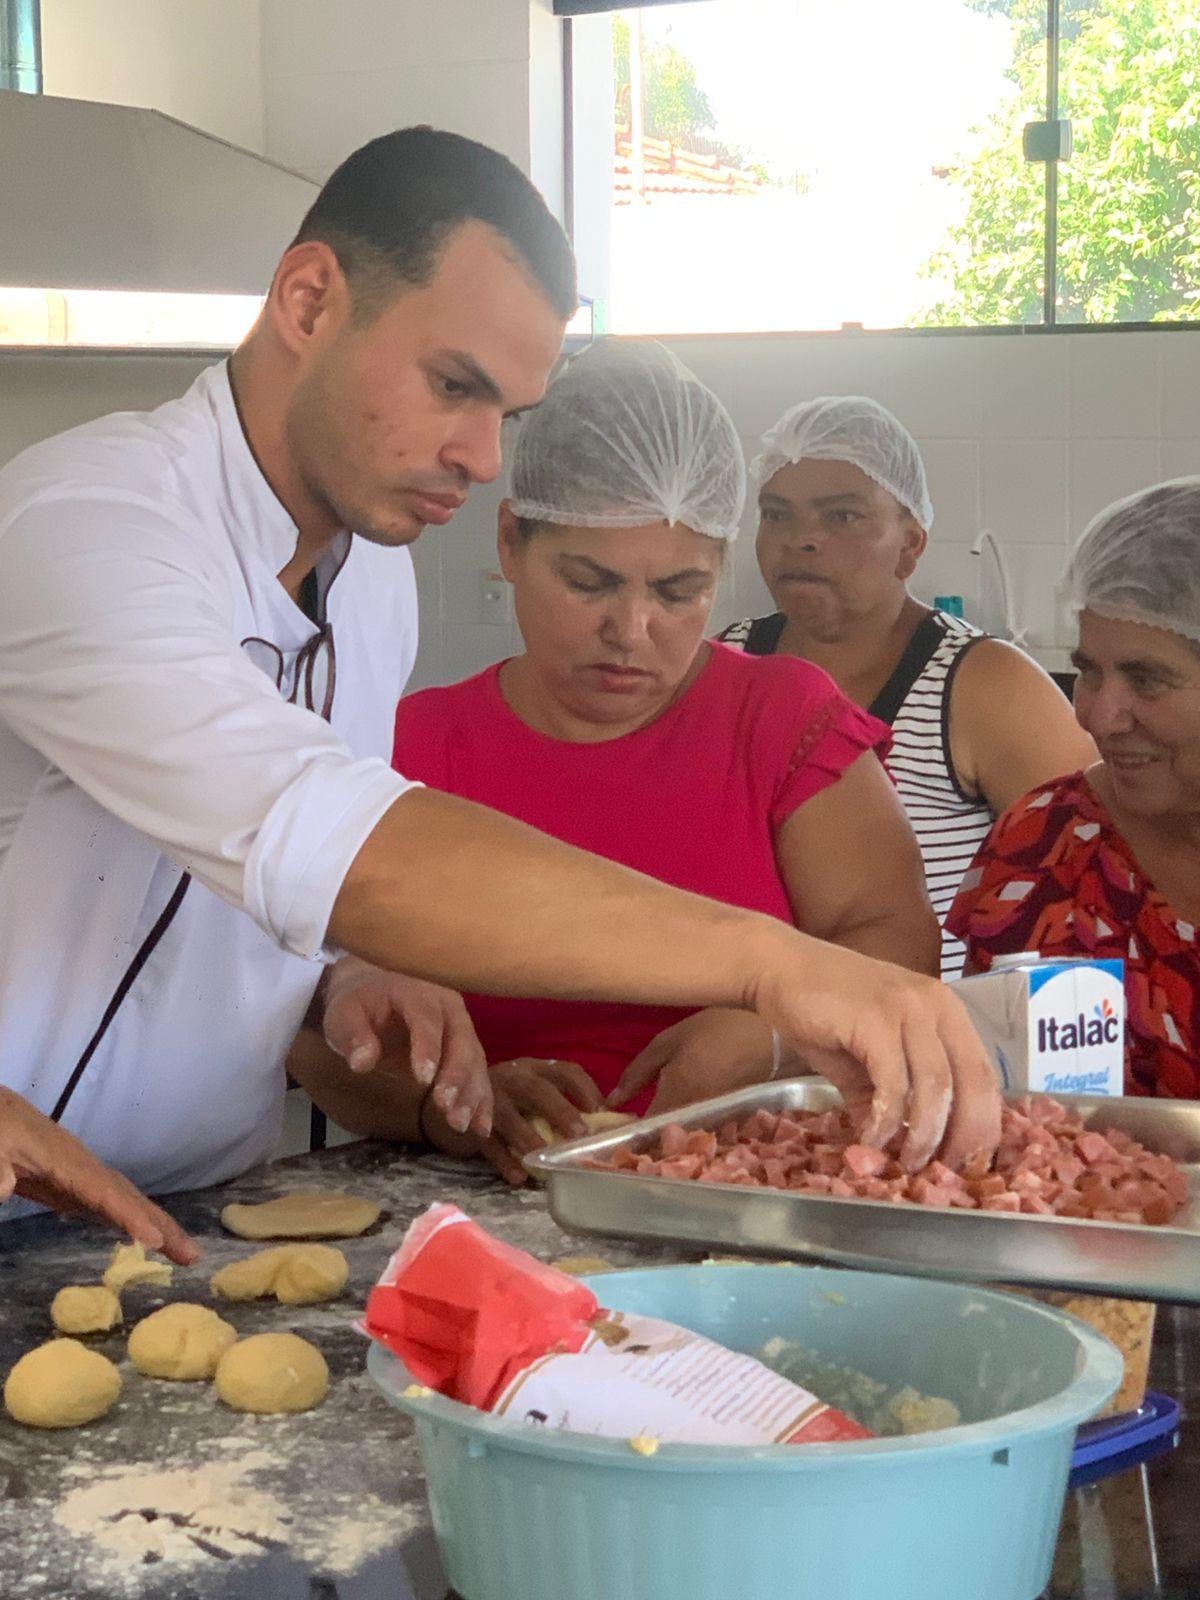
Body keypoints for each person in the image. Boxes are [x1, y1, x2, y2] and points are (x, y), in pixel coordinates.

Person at [0, 132, 998, 1256]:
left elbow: (222, 871)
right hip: (24, 1198)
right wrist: (775, 967)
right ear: (310, 299)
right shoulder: (89, 525)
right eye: (454, 386)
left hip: (198, 1211)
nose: (481, 459)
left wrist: (338, 980)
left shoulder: (370, 575)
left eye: (507, 416)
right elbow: (329, 842)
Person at [294, 341, 939, 1182]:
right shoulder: (408, 748)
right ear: (511, 542)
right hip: (480, 1199)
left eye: (679, 591)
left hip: (747, 1191)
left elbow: (897, 941)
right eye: (590, 582)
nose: (631, 632)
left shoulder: (782, 722)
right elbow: (303, 1020)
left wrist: (771, 1035)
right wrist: (442, 1105)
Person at [719, 397, 1095, 977]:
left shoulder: (985, 685)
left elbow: (1090, 885)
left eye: (841, 516)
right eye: (776, 514)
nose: (801, 539)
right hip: (740, 1017)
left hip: (923, 1023)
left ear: (911, 544)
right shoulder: (725, 664)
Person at [948, 478, 1200, 1099]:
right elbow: (1003, 1105)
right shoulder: (1049, 843)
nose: (1098, 716)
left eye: (1147, 679)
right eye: (1088, 671)